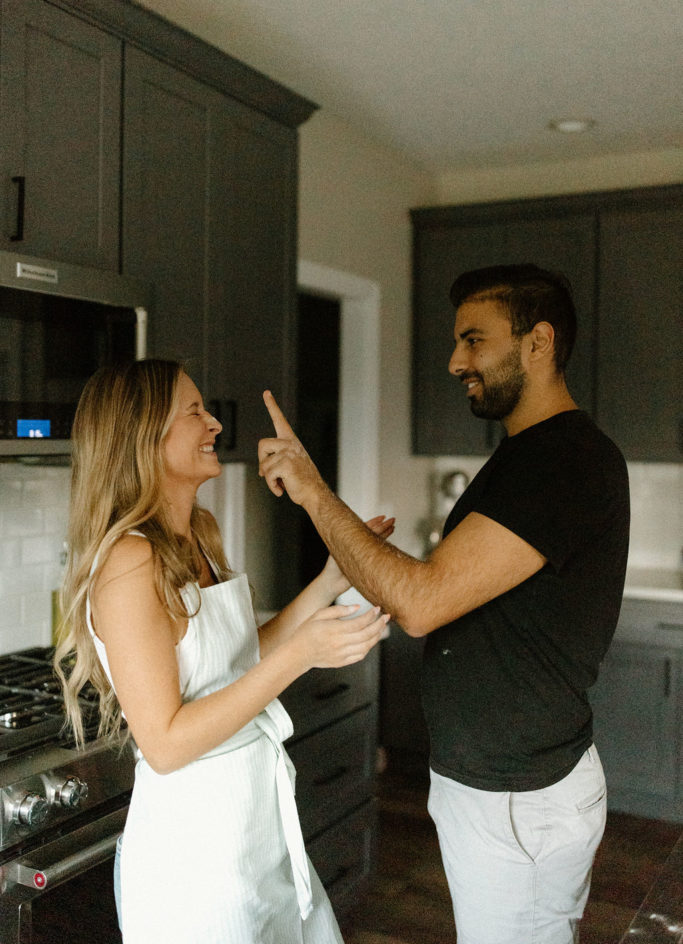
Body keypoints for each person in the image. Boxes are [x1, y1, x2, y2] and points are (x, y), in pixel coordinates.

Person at [257, 264, 630, 944]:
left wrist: (314, 491)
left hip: (518, 797)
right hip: (505, 786)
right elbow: (435, 588)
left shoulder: (563, 460)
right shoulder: (527, 455)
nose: (456, 361)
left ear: (536, 342)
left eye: (473, 339)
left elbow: (421, 602)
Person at [55, 358, 391, 944]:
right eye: (194, 412)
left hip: (256, 831)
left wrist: (330, 581)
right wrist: (302, 654)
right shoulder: (128, 562)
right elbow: (164, 742)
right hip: (195, 860)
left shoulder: (198, 534)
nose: (214, 423)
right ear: (144, 437)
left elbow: (231, 659)